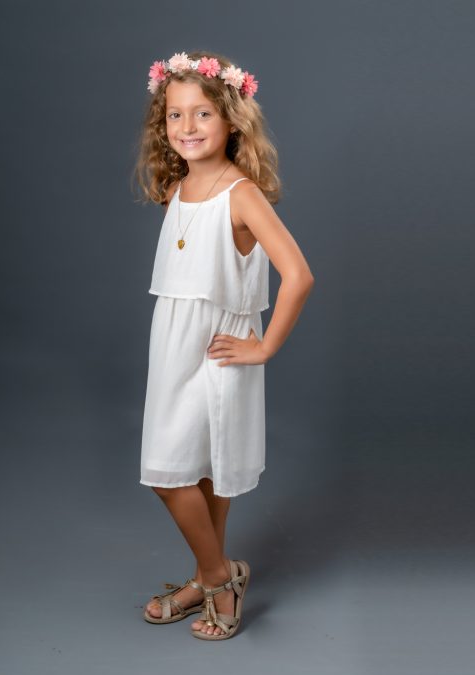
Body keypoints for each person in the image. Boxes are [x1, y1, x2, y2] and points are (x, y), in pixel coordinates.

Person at [132, 50, 314, 640]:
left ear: (231, 120)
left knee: (175, 473)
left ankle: (217, 578)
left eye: (203, 114)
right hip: (174, 349)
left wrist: (262, 349)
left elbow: (299, 274)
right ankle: (211, 573)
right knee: (196, 470)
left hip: (216, 353)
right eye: (175, 116)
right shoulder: (178, 189)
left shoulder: (241, 195)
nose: (187, 128)